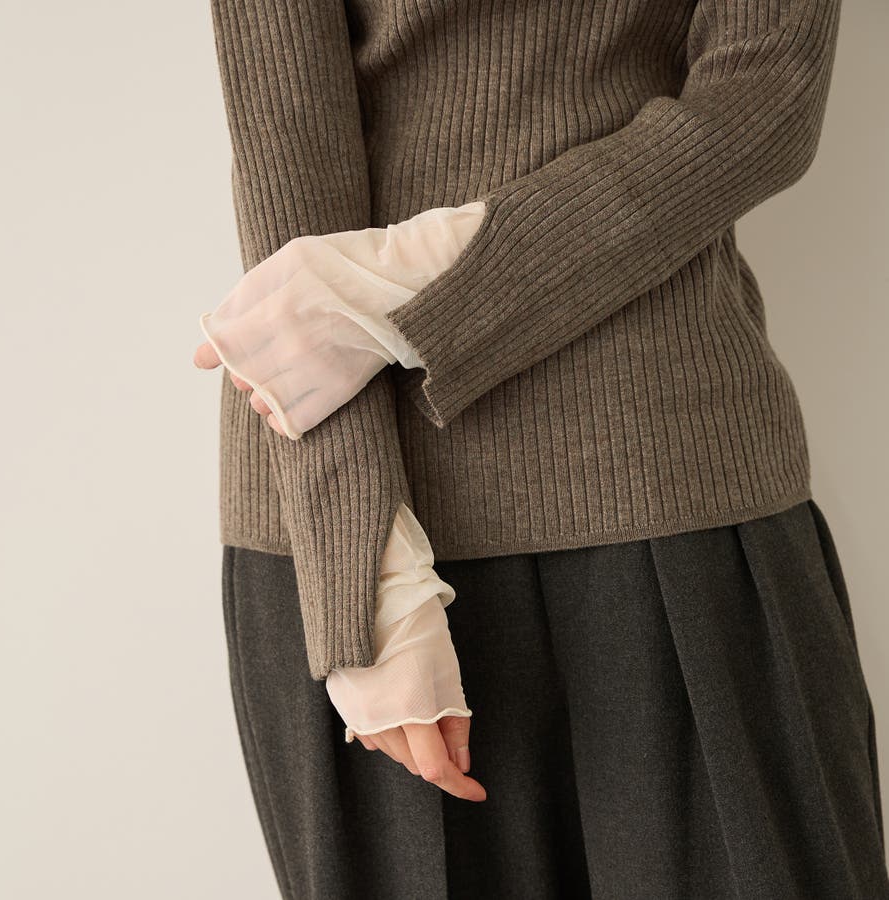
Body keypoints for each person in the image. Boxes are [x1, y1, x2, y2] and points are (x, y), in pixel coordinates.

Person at [195, 0, 889, 897]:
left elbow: (765, 97)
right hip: (349, 504)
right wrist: (365, 574)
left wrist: (417, 277)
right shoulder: (360, 559)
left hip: (667, 476)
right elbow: (287, 174)